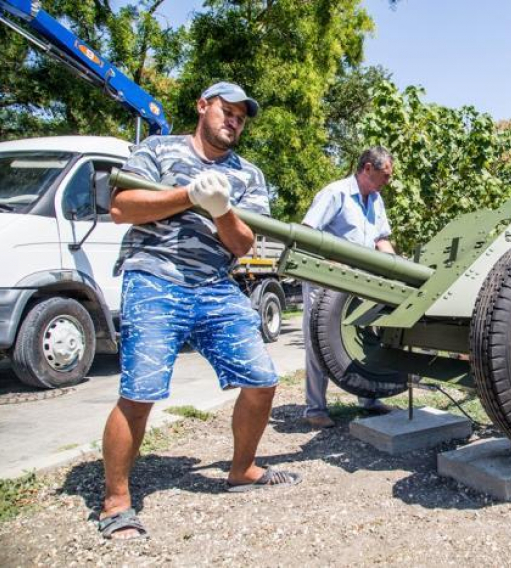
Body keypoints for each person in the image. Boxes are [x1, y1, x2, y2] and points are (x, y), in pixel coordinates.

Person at [98, 82, 301, 540]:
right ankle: (116, 503)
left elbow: (245, 243)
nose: (232, 120)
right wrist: (189, 195)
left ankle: (242, 469)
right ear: (202, 107)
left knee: (263, 380)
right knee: (140, 391)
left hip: (214, 284)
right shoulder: (157, 150)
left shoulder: (248, 174)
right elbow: (121, 207)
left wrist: (221, 209)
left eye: (240, 117)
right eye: (225, 111)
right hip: (154, 274)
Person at [301, 147, 396, 429]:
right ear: (367, 168)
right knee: (318, 343)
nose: (387, 181)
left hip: (360, 285)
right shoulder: (336, 193)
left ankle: (369, 399)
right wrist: (335, 263)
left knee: (365, 341)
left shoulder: (376, 200)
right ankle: (315, 408)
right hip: (327, 282)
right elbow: (308, 233)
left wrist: (395, 266)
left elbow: (381, 239)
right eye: (384, 175)